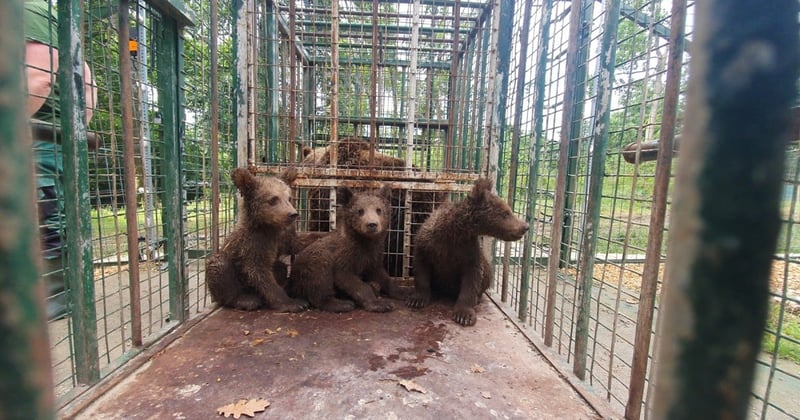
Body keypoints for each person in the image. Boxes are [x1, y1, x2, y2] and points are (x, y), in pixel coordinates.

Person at [24, 0, 98, 320]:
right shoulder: (57, 16)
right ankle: (65, 291)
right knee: (60, 211)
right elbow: (90, 84)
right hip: (57, 134)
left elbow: (39, 76)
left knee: (45, 214)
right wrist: (77, 130)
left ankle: (57, 295)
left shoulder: (22, 10)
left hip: (36, 132)